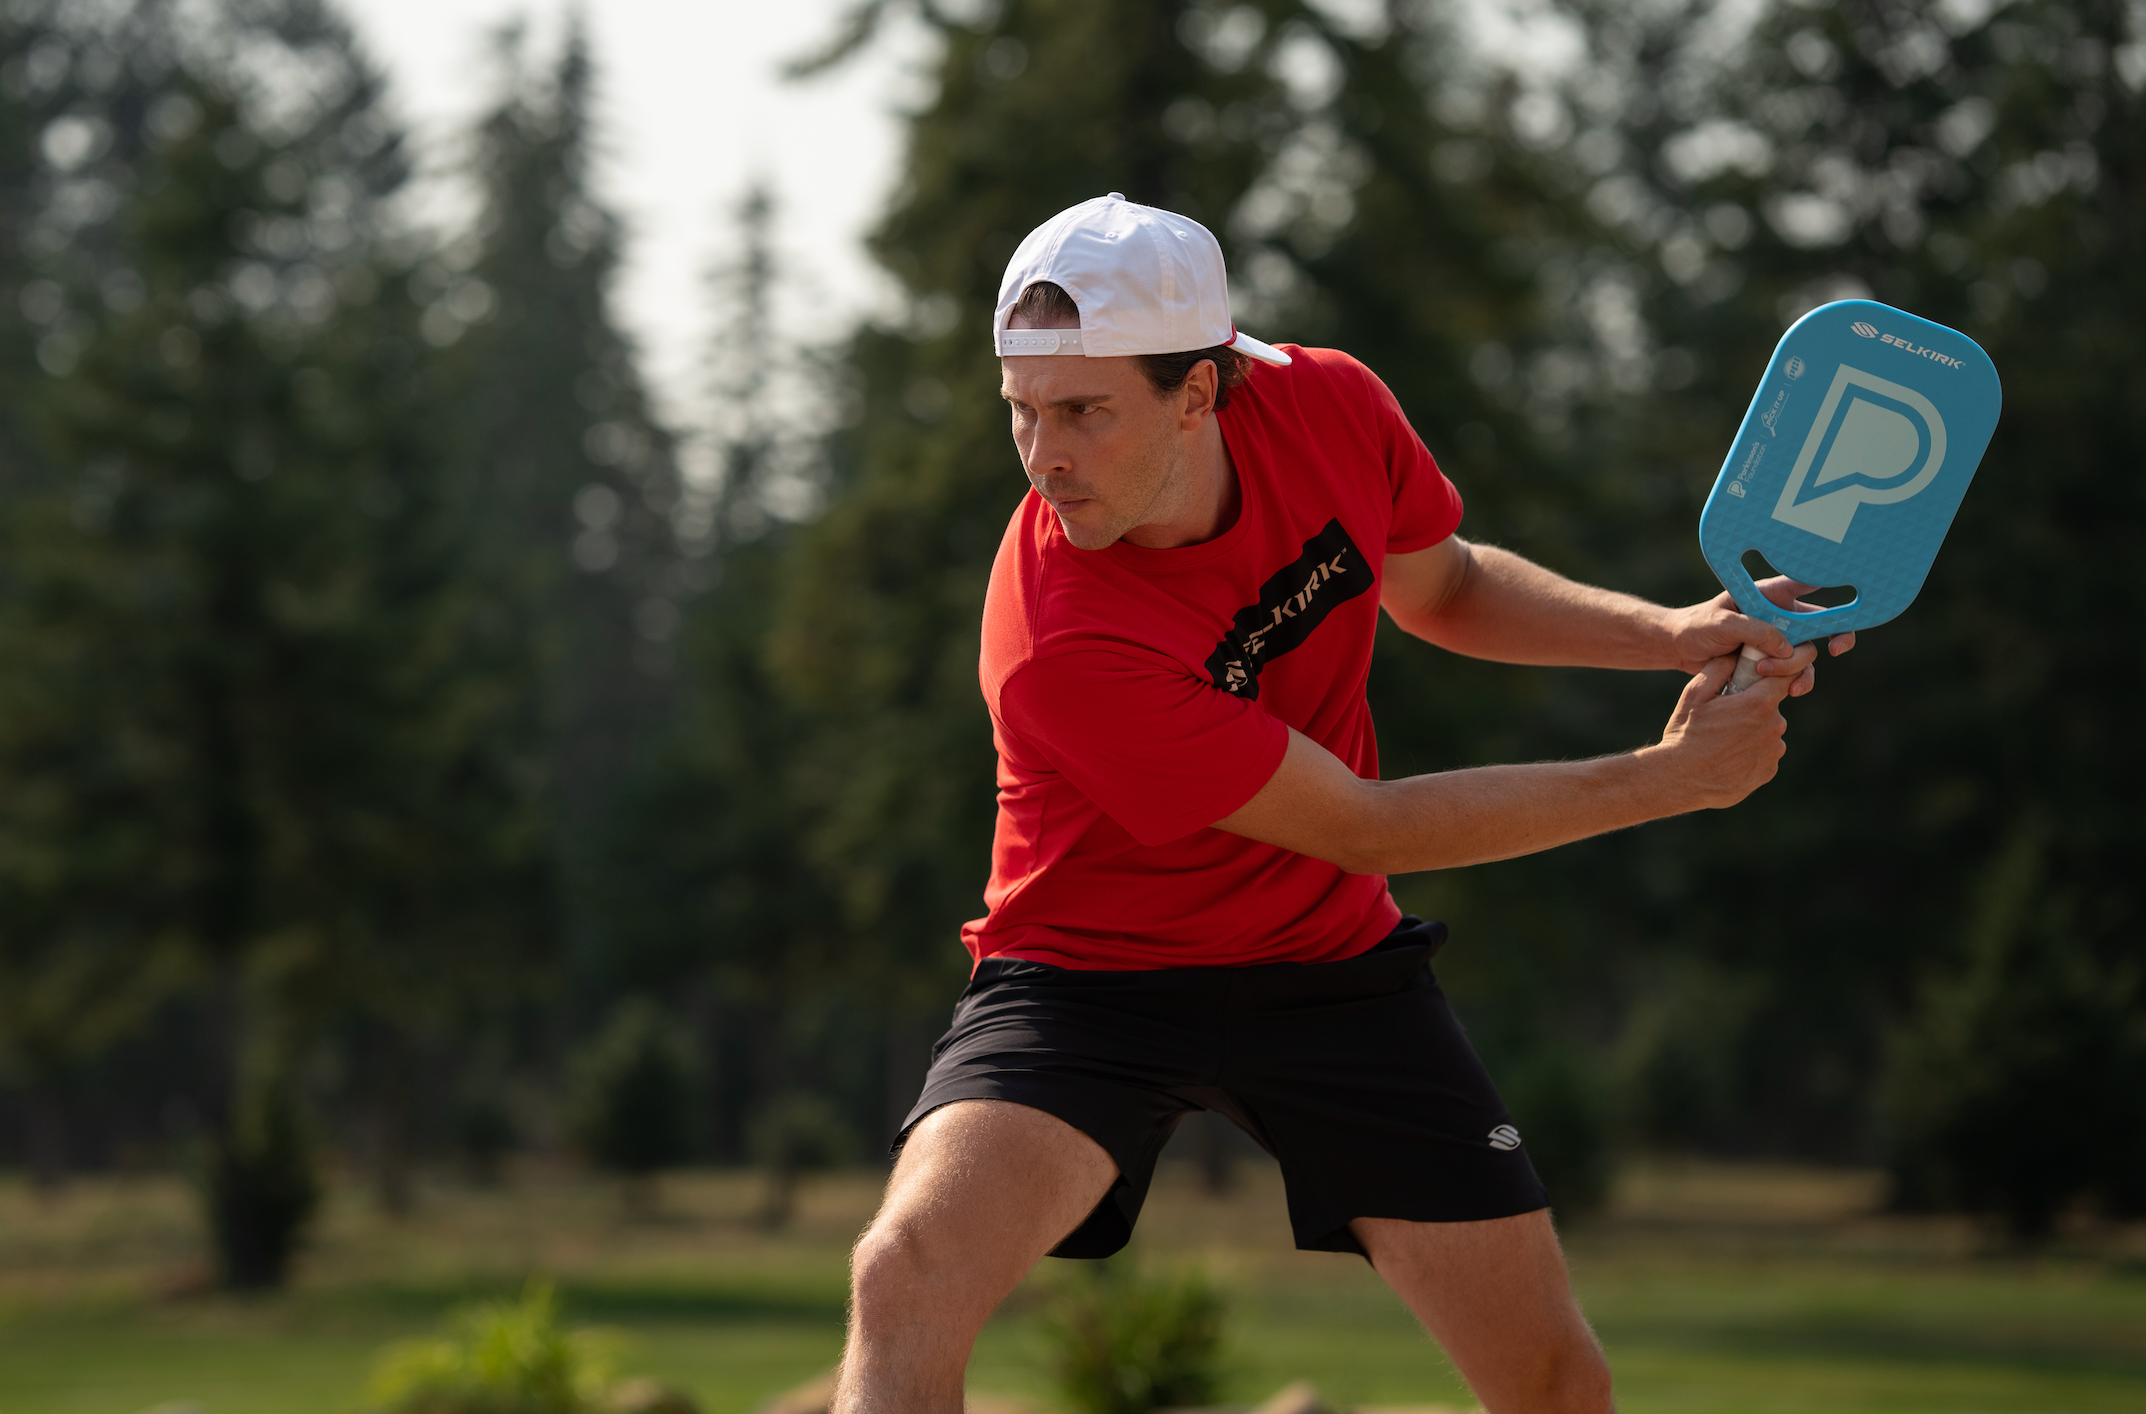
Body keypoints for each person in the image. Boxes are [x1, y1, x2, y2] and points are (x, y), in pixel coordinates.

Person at [831, 194, 1852, 1414]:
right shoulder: (1059, 642)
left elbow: (1446, 587)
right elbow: (1367, 823)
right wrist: (1669, 777)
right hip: (1087, 981)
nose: (1042, 454)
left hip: (1327, 963)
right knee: (905, 1273)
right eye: (1021, 409)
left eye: (1084, 411)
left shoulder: (1329, 407)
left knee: (1553, 1379)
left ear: (1197, 393)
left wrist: (1670, 633)